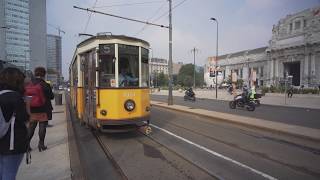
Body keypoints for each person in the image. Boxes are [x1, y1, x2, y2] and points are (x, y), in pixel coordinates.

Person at [0, 67, 30, 180]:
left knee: (2, 172)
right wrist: (27, 105)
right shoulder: (15, 97)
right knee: (9, 174)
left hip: (1, 141)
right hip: (12, 144)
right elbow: (25, 118)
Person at [27, 67, 54, 152]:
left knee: (31, 127)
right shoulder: (45, 84)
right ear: (44, 74)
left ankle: (26, 145)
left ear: (35, 74)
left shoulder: (29, 84)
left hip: (32, 109)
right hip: (43, 109)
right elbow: (52, 97)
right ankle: (41, 144)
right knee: (42, 127)